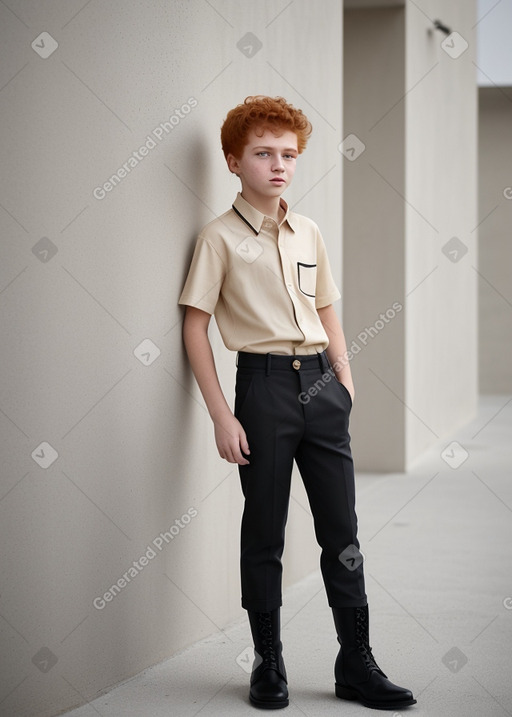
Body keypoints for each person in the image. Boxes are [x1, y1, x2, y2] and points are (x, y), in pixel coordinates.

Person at [178, 95, 416, 711]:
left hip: (321, 389)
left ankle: (357, 663)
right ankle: (268, 662)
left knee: (343, 529)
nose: (278, 165)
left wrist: (343, 376)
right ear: (234, 161)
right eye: (263, 153)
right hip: (262, 391)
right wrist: (222, 416)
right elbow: (193, 328)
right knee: (265, 531)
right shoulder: (218, 239)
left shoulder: (307, 231)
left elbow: (326, 305)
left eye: (288, 155)